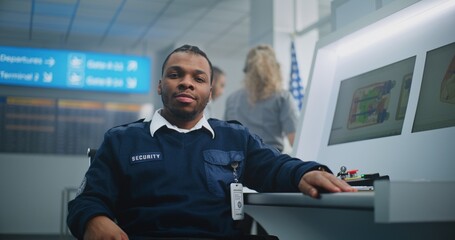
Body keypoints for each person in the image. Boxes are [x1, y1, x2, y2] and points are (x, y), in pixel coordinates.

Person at [67, 44, 356, 240]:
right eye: (175, 74)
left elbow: (274, 166)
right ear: (159, 85)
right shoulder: (122, 140)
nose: (186, 83)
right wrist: (94, 220)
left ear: (209, 91)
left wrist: (304, 172)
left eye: (198, 78)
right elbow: (88, 200)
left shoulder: (235, 137)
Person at [225, 45, 298, 152]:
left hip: (237, 163)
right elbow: (295, 141)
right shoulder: (282, 97)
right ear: (275, 69)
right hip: (270, 162)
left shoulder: (232, 99)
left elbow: (225, 137)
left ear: (246, 70)